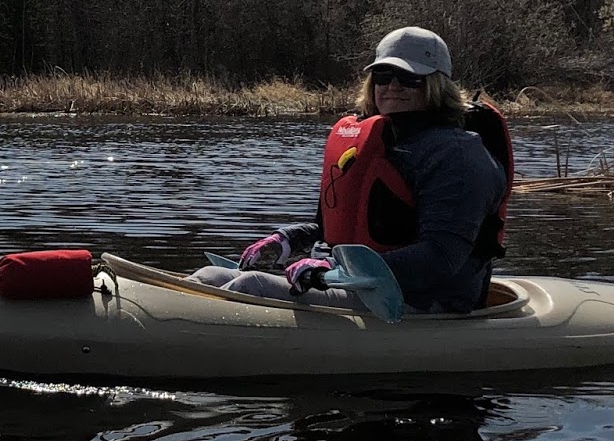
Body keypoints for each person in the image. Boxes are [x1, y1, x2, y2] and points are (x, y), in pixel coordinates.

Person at [193, 26, 513, 314]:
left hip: (423, 299)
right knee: (211, 276)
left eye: (409, 78)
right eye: (384, 76)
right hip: (357, 282)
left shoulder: (458, 156)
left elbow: (440, 258)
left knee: (252, 287)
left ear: (436, 86)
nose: (393, 87)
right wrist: (290, 239)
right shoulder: (372, 141)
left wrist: (329, 270)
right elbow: (338, 228)